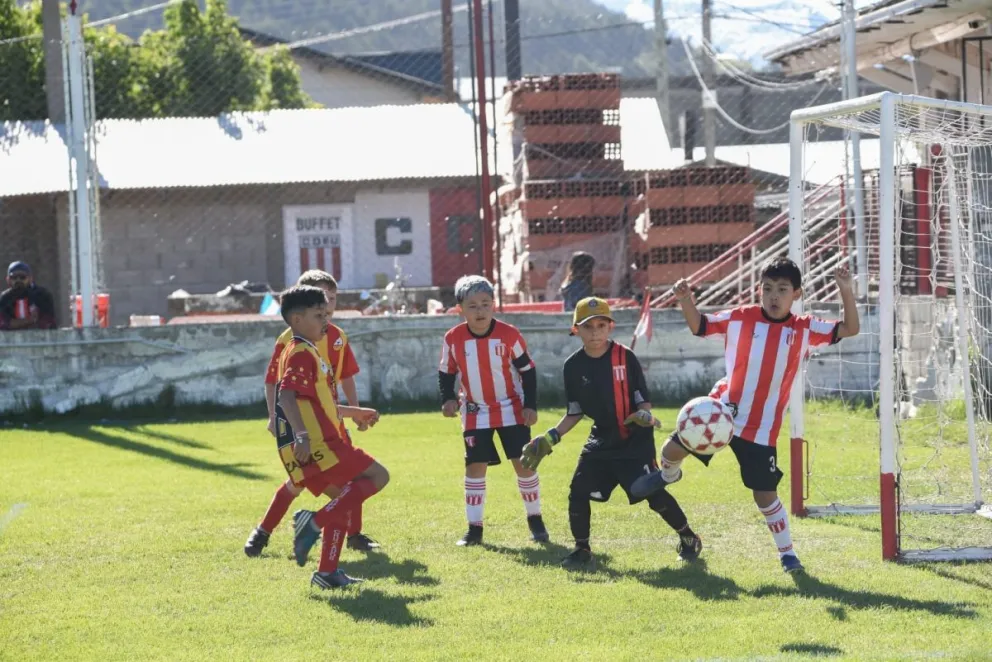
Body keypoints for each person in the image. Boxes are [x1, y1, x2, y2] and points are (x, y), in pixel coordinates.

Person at [633, 258, 860, 574]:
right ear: (759, 290)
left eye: (782, 290)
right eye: (767, 289)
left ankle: (788, 555)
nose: (773, 297)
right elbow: (700, 325)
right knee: (671, 451)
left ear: (796, 294)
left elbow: (850, 328)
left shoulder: (804, 328)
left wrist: (846, 291)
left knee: (764, 495)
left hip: (761, 427)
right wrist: (686, 300)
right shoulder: (740, 318)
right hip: (722, 412)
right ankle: (670, 475)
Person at [521, 296, 703, 569]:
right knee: (578, 491)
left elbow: (643, 399)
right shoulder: (572, 366)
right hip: (601, 439)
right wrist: (550, 438)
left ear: (610, 327)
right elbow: (574, 412)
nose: (595, 331)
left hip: (634, 440)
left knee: (649, 493)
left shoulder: (624, 356)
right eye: (588, 326)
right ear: (576, 330)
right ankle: (582, 549)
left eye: (601, 325)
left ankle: (688, 537)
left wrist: (644, 414)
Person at [244, 270, 379, 558]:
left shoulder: (337, 337)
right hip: (306, 427)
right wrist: (275, 418)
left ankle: (348, 541)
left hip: (330, 421)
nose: (327, 305)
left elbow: (343, 378)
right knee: (305, 483)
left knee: (348, 484)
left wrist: (354, 412)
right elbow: (277, 384)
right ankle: (265, 532)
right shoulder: (292, 342)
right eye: (321, 299)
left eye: (331, 298)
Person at [273, 285, 389, 588]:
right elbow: (285, 395)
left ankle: (326, 573)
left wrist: (354, 413)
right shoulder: (300, 352)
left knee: (344, 499)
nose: (325, 320)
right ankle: (313, 523)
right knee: (378, 476)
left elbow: (317, 403)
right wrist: (302, 436)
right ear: (297, 320)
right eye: (317, 315)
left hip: (321, 441)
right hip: (323, 444)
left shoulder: (308, 350)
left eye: (326, 314)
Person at [439, 275, 547, 546]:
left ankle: (535, 521)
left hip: (512, 407)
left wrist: (530, 405)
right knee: (475, 466)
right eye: (472, 305)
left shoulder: (509, 334)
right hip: (475, 410)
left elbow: (528, 370)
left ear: (494, 305)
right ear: (459, 309)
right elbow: (446, 372)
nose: (480, 310)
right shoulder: (453, 339)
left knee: (524, 463)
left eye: (485, 303)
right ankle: (474, 530)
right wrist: (448, 398)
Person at [0, 261, 56, 331]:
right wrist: (29, 320)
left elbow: (47, 323)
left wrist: (15, 324)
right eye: (14, 277)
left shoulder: (42, 295)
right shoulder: (4, 299)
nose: (18, 280)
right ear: (8, 280)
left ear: (30, 278)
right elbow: (3, 324)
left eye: (22, 277)